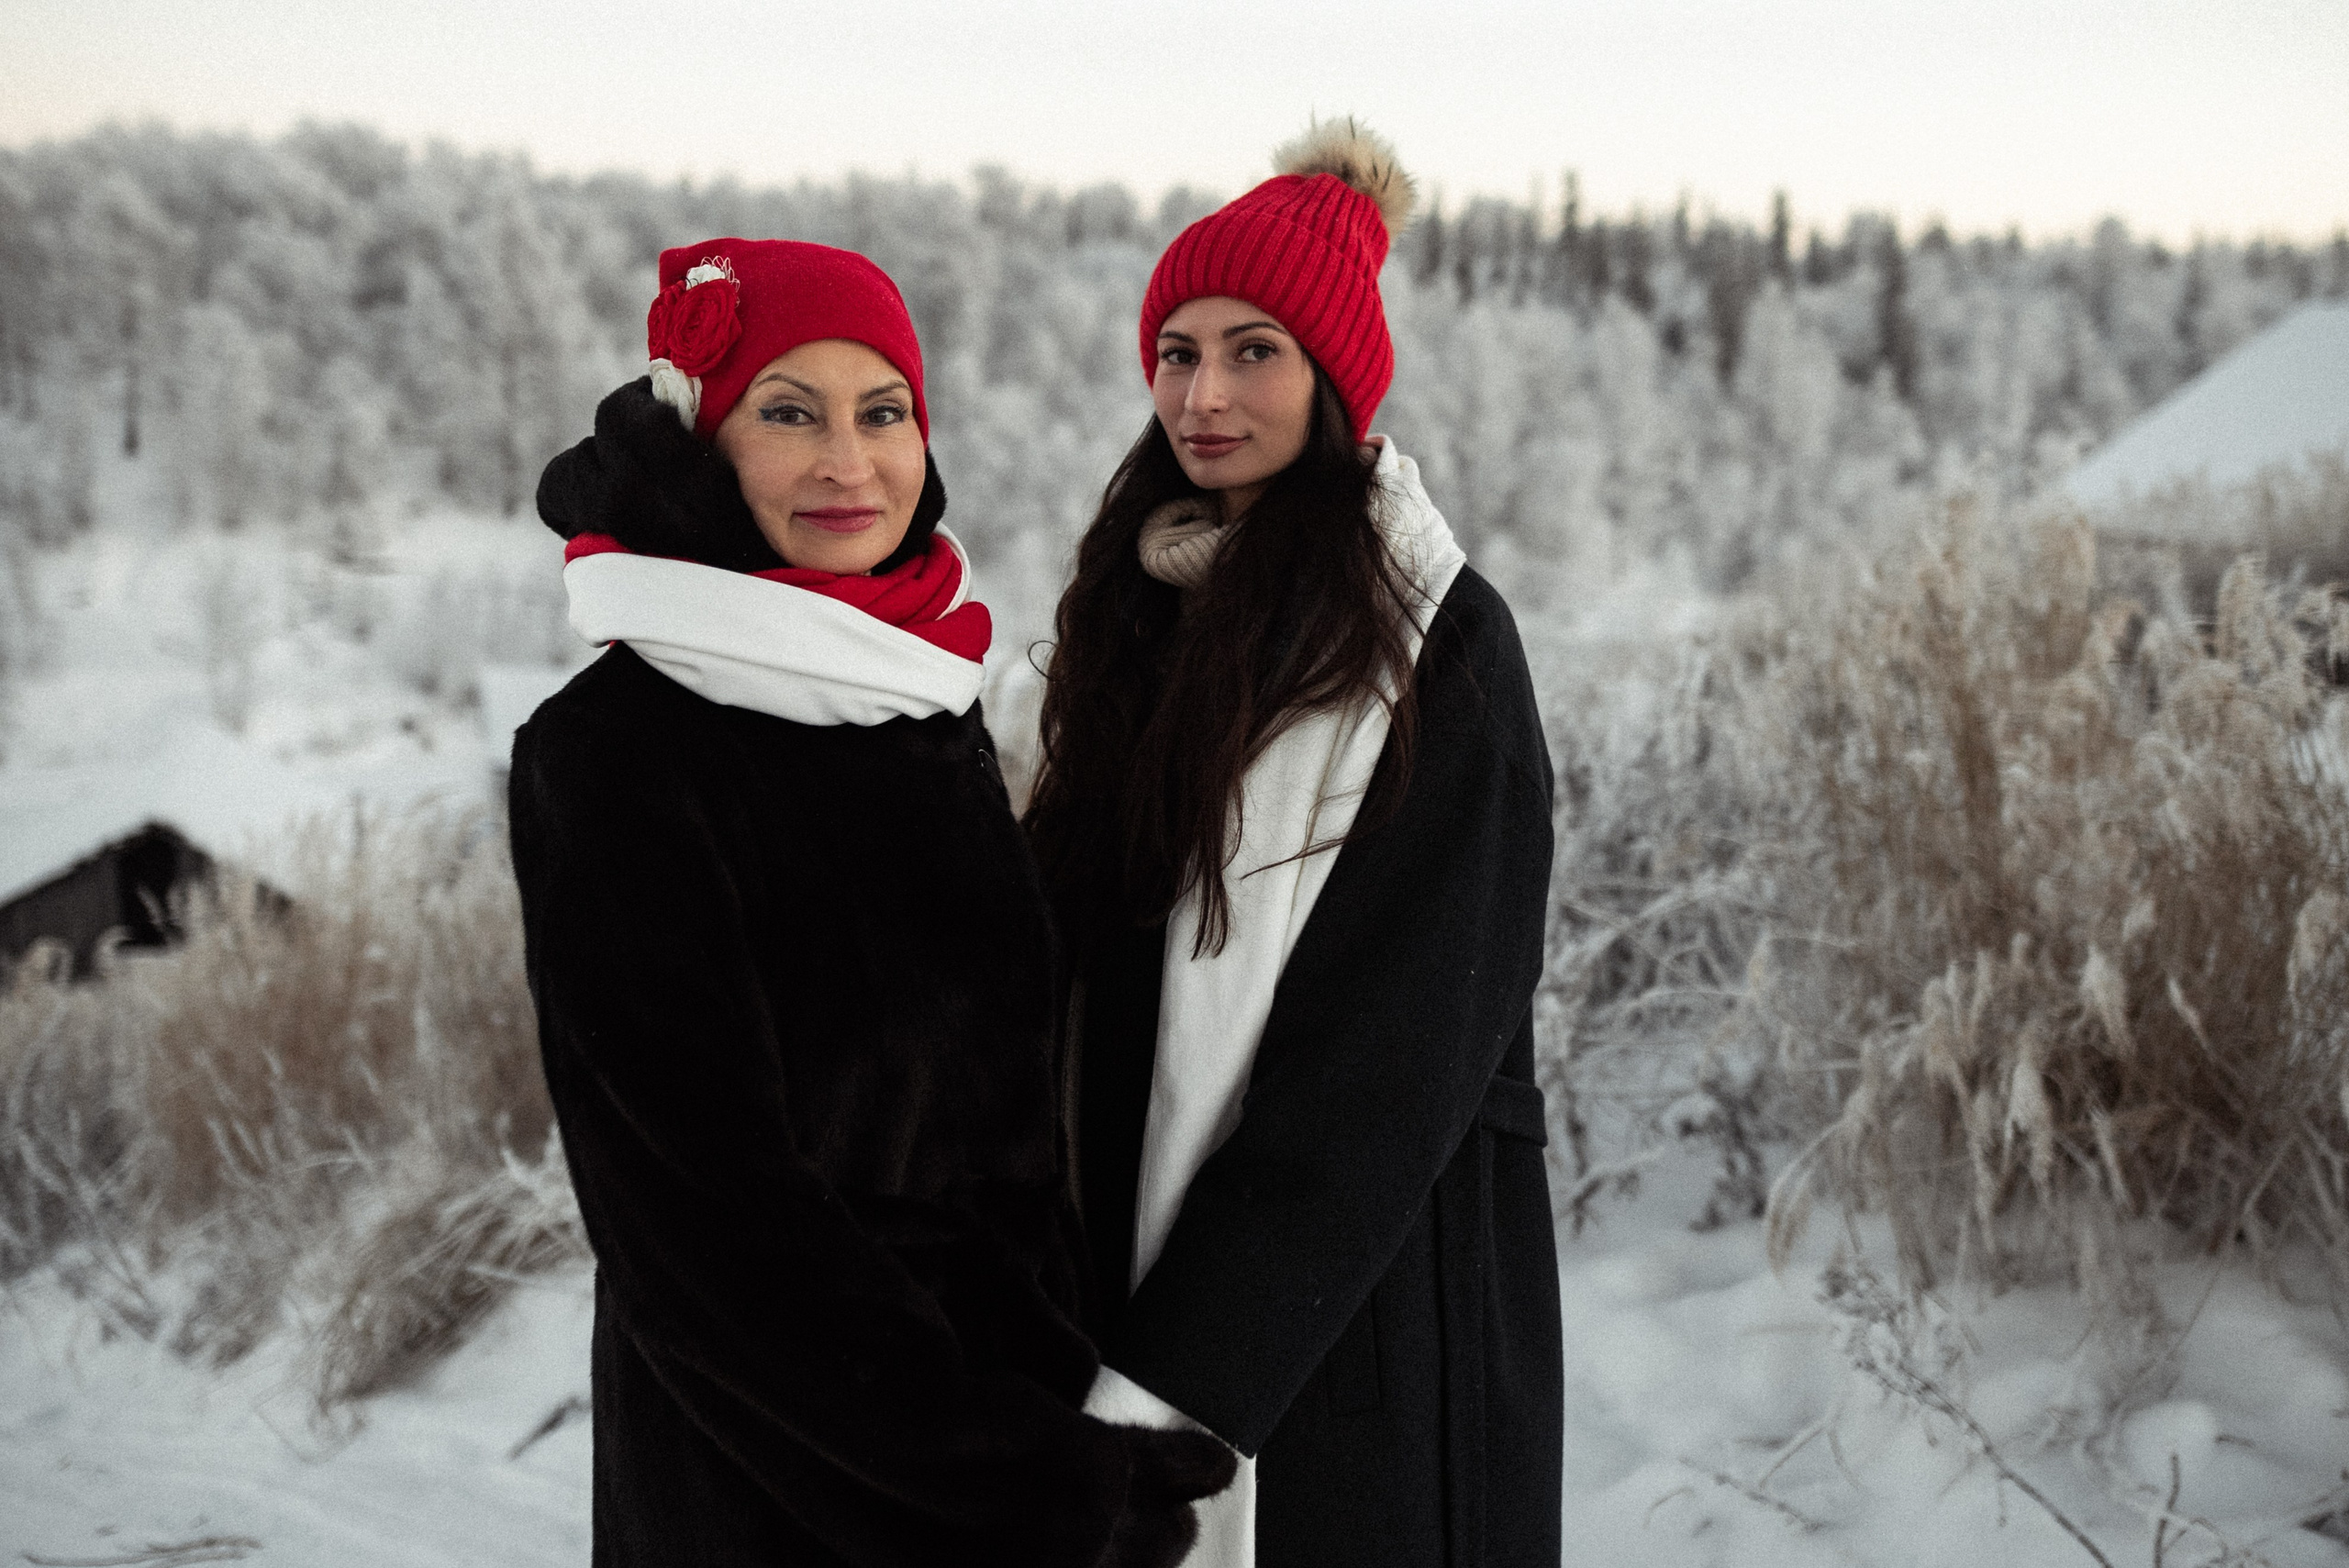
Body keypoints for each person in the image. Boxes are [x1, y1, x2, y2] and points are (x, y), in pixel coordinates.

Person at [509, 238, 1232, 1567]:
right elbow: (703, 1234)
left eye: (883, 411)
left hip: (1000, 1436)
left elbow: (992, 1137)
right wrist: (1023, 1486)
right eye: (789, 414)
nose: (850, 463)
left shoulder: (915, 695)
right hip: (781, 1488)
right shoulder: (617, 749)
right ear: (706, 442)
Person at [1024, 123, 1564, 1567]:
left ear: (1334, 376)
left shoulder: (1434, 647)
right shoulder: (1138, 614)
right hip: (1119, 1278)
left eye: (1252, 351)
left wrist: (1170, 1403)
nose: (1202, 394)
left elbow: (1389, 1072)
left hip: (1339, 1339)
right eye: (1177, 352)